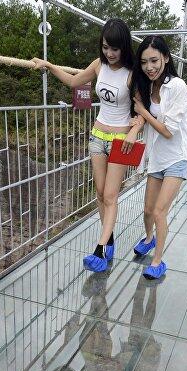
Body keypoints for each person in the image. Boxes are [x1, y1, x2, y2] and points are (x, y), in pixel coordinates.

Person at [32, 19, 140, 273]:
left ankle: (100, 249)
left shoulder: (134, 73)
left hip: (121, 142)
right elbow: (73, 81)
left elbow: (144, 108)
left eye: (115, 48)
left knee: (111, 195)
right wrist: (48, 65)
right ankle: (109, 237)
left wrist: (135, 130)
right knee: (100, 194)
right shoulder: (98, 65)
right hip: (97, 136)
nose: (109, 54)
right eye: (105, 47)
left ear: (124, 47)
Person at [122, 36, 187, 280]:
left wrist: (141, 111)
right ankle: (149, 239)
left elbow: (168, 130)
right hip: (157, 157)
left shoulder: (177, 87)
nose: (149, 67)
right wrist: (136, 122)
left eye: (154, 60)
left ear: (166, 58)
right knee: (148, 210)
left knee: (160, 212)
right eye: (144, 62)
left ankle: (157, 261)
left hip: (178, 157)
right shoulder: (147, 85)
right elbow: (146, 119)